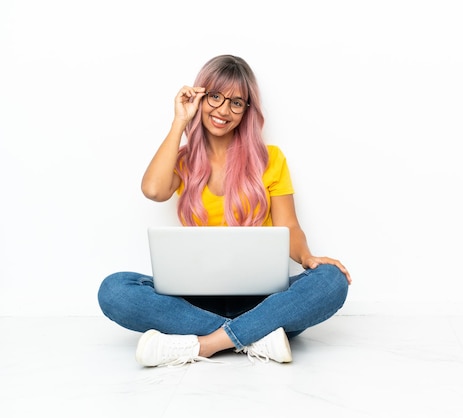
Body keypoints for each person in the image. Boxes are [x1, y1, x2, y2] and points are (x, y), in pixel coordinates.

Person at [97, 55, 352, 367]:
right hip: (195, 300)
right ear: (200, 97)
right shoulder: (182, 161)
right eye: (215, 97)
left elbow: (290, 226)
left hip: (263, 300)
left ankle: (206, 344)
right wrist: (180, 121)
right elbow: (153, 190)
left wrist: (308, 258)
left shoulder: (271, 159)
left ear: (247, 111)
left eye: (236, 102)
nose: (222, 110)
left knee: (331, 280)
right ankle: (255, 336)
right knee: (115, 290)